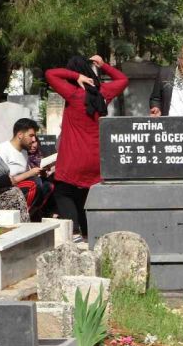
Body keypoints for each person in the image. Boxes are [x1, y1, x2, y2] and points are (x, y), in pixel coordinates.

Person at [45, 54, 128, 239]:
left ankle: (73, 231)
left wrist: (75, 77)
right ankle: (89, 235)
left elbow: (50, 74)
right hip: (96, 160)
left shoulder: (73, 93)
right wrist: (104, 65)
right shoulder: (104, 92)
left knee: (63, 192)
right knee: (85, 198)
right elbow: (123, 79)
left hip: (72, 159)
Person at [0, 118, 53, 220]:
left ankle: (31, 215)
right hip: (5, 193)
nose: (34, 140)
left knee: (47, 186)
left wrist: (39, 173)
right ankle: (23, 217)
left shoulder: (24, 152)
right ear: (20, 135)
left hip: (20, 189)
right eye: (31, 136)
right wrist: (30, 173)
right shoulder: (2, 150)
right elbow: (0, 181)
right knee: (34, 184)